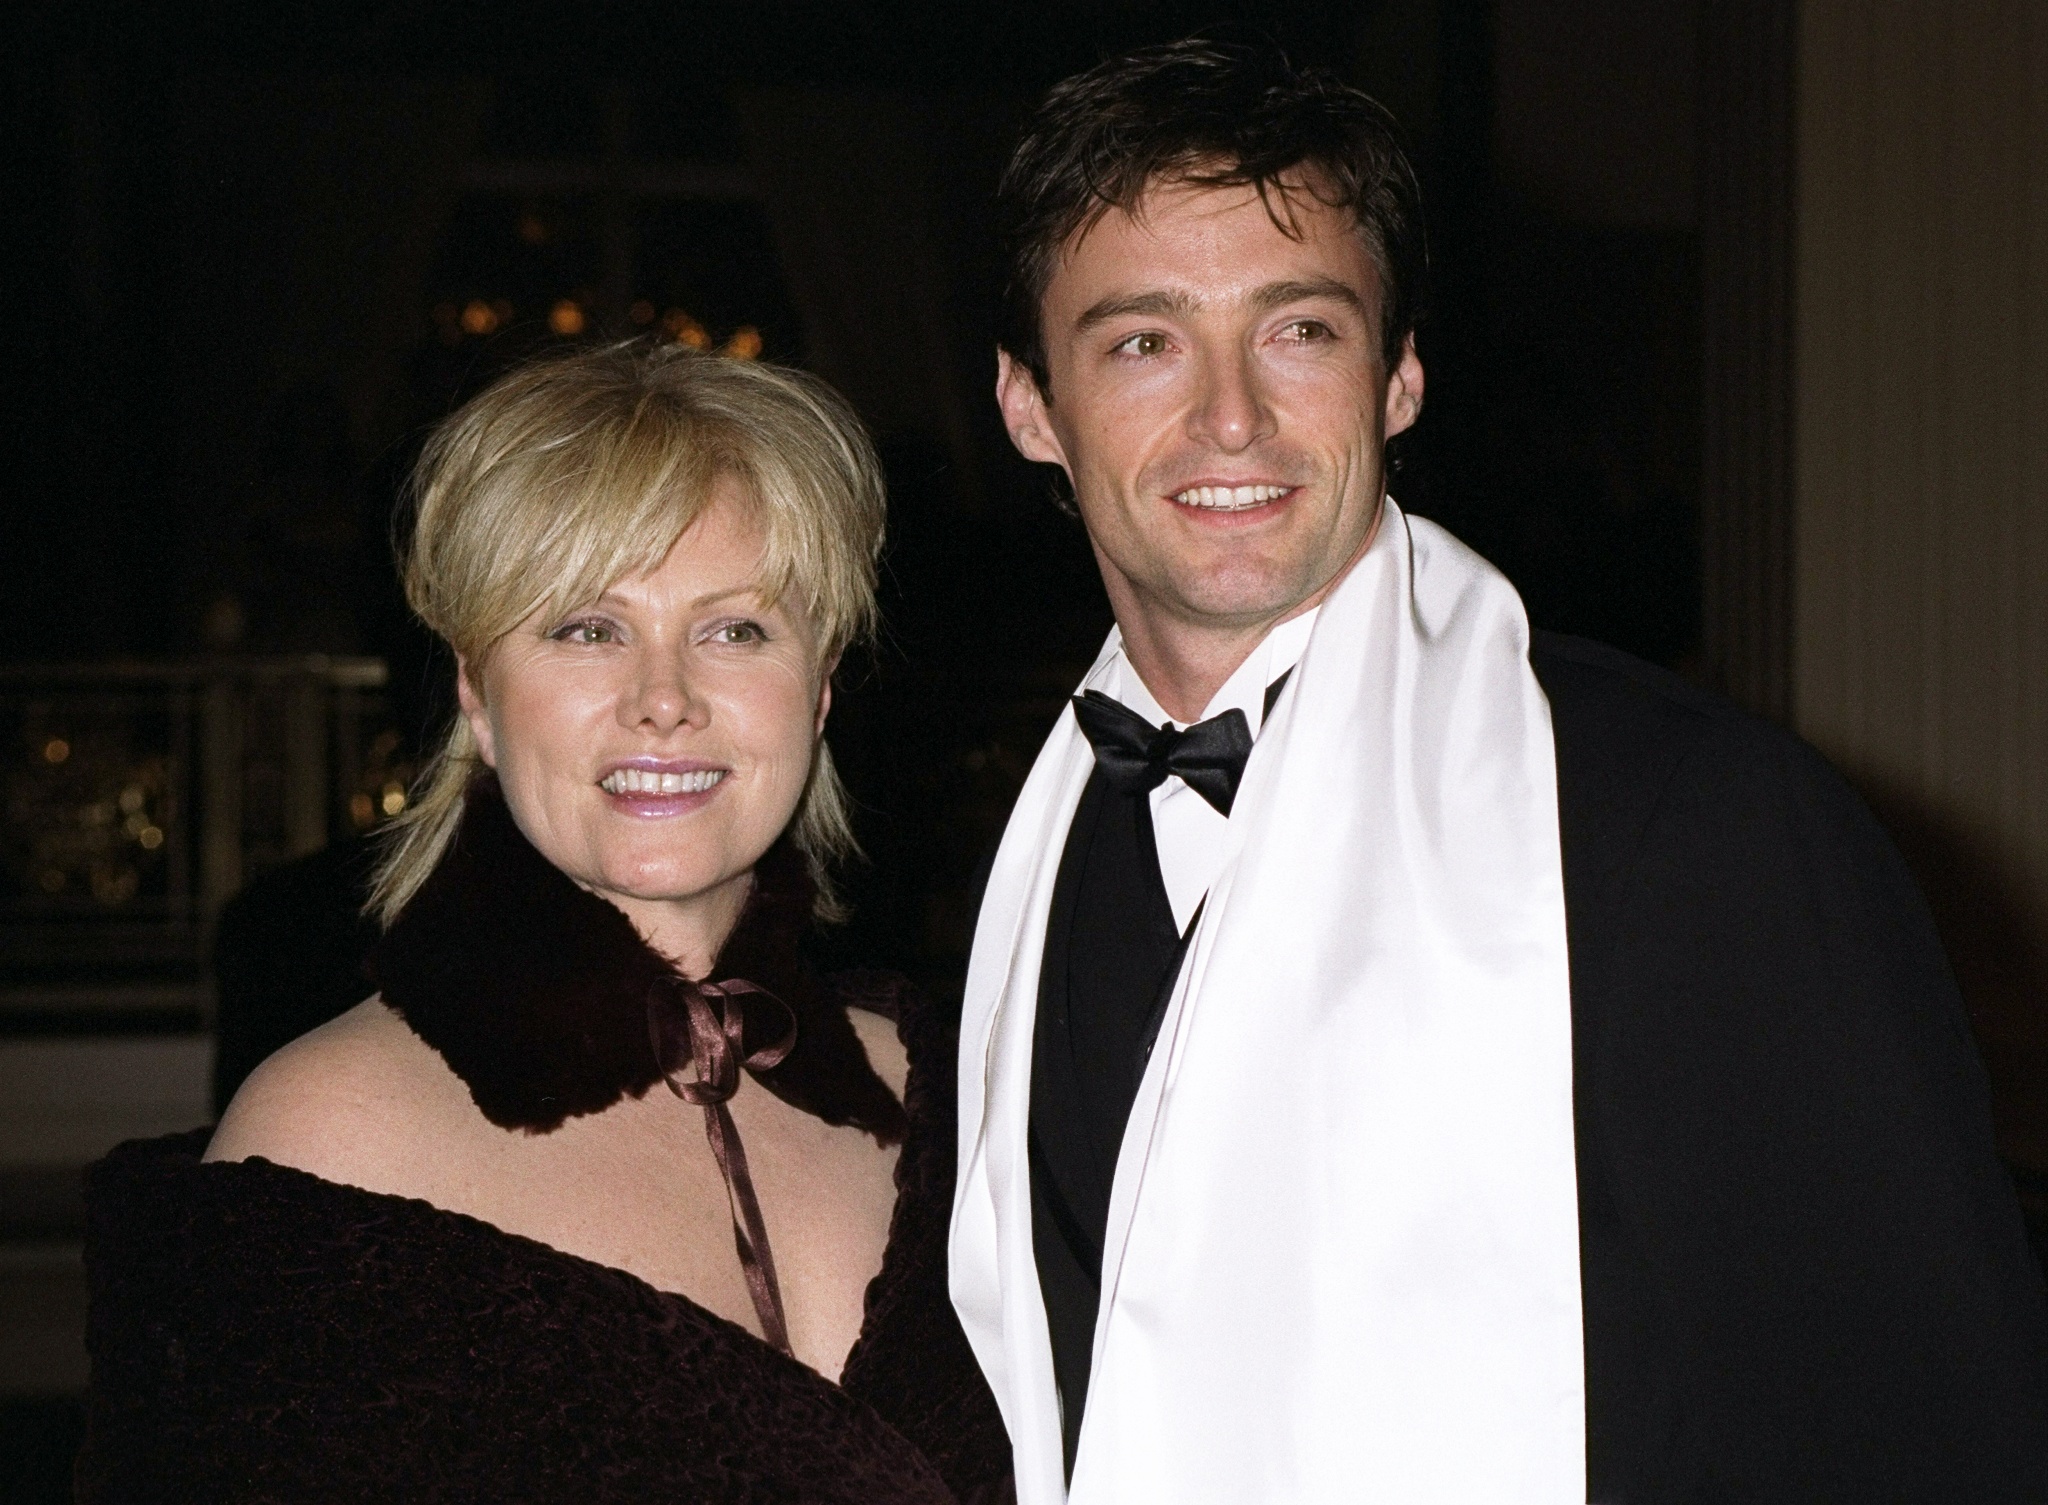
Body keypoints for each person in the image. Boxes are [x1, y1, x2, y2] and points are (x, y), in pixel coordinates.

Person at [950, 38, 2048, 1503]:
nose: (1231, 417)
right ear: (1033, 408)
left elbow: (1920, 1432)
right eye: (1144, 340)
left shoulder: (1698, 822)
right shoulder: (1014, 869)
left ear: (1399, 378)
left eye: (1300, 331)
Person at [81, 344, 1011, 1502]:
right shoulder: (328, 1135)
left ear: (818, 689)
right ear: (475, 695)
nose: (663, 696)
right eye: (584, 627)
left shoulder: (949, 1094)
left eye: (735, 629)